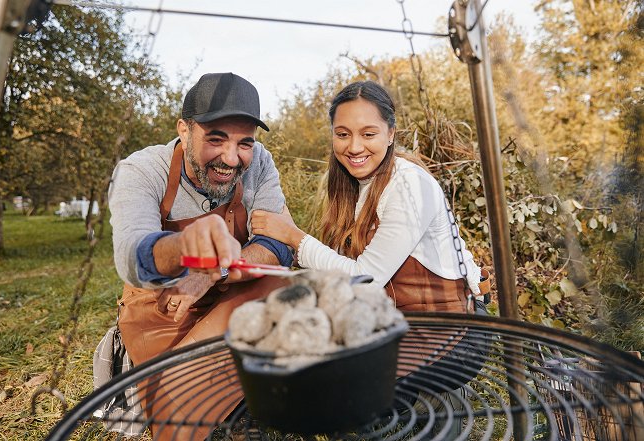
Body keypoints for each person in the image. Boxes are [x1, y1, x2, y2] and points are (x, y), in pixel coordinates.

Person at [251, 81, 491, 433]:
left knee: (338, 395)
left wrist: (293, 237)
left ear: (391, 133)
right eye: (343, 134)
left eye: (369, 133)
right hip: (399, 329)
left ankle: (430, 410)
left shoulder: (408, 185)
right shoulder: (355, 185)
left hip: (451, 336)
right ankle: (419, 415)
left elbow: (366, 277)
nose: (354, 146)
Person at [108, 72, 292, 439]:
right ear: (184, 129)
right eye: (216, 138)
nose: (230, 158)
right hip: (163, 309)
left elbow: (280, 244)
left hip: (228, 294)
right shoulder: (142, 170)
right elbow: (131, 254)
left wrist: (212, 272)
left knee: (282, 287)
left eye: (244, 143)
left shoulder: (259, 163)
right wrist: (185, 249)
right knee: (184, 412)